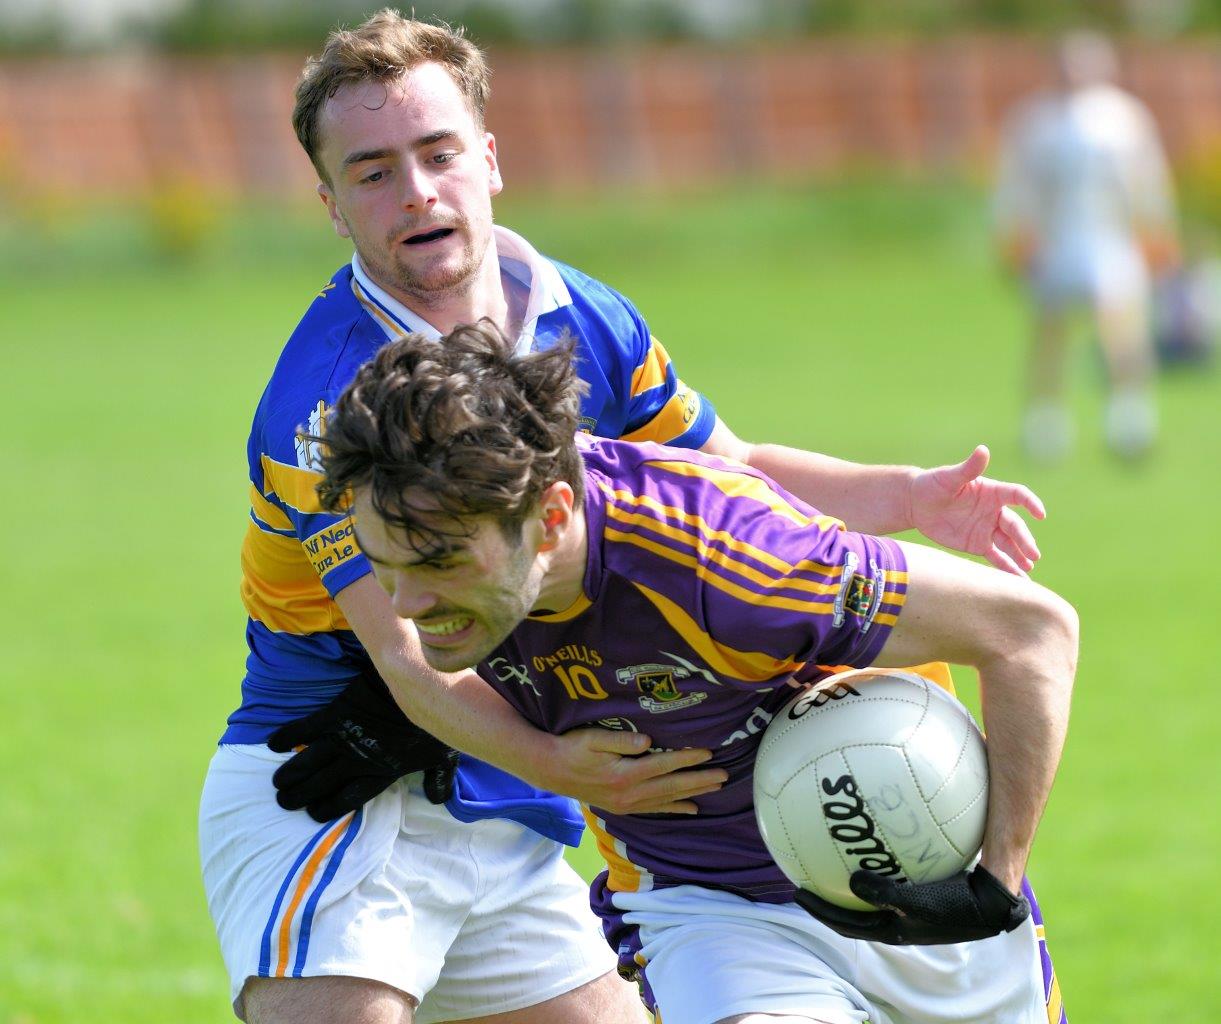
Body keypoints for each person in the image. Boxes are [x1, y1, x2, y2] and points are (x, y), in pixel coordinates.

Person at [199, 10, 1050, 1023]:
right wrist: (568, 760)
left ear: (491, 158)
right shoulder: (332, 404)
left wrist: (904, 497)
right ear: (332, 204)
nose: (417, 190)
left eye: (438, 153)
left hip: (511, 764)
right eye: (373, 170)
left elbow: (728, 476)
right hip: (340, 778)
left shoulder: (576, 311)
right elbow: (409, 657)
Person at [311, 322, 1078, 1024]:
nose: (406, 605)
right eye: (386, 567)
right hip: (713, 914)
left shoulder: (728, 560)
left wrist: (994, 879)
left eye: (441, 563)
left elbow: (1031, 631)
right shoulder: (452, 571)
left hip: (912, 873)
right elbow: (406, 664)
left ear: (548, 519)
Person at [994, 31, 1179, 461]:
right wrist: (1018, 237)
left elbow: (1148, 179)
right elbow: (1017, 186)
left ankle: (1129, 418)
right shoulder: (1036, 120)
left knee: (1121, 327)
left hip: (1110, 237)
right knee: (1052, 329)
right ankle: (1046, 421)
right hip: (1058, 238)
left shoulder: (1122, 117)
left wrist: (1157, 231)